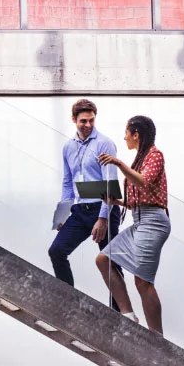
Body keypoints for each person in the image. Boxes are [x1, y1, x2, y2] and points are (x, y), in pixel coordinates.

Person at [96, 115, 170, 334]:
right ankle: (128, 315)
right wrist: (116, 201)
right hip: (139, 219)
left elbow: (144, 181)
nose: (124, 137)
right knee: (103, 259)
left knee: (143, 281)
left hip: (153, 221)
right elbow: (137, 199)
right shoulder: (140, 157)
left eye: (127, 132)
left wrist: (118, 163)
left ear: (136, 134)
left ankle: (157, 337)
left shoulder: (155, 155)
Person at [48, 99, 121, 291]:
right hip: (80, 210)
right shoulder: (68, 147)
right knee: (56, 251)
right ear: (74, 120)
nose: (88, 125)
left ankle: (121, 313)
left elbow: (110, 183)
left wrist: (103, 218)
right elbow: (67, 182)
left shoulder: (105, 144)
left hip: (104, 208)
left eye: (91, 120)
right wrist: (63, 215)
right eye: (83, 121)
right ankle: (68, 301)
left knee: (112, 263)